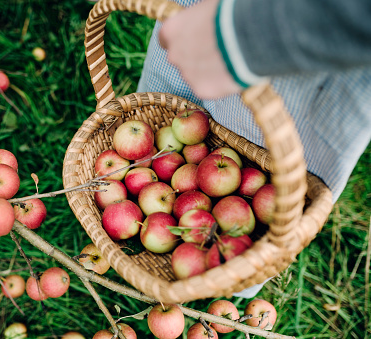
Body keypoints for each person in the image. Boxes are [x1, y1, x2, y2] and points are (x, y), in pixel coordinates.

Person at [137, 0, 371, 297]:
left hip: (310, 26)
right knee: (184, 72)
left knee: (284, 148)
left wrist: (242, 33)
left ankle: (236, 276)